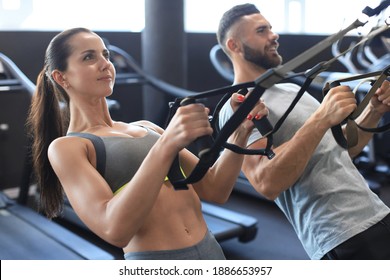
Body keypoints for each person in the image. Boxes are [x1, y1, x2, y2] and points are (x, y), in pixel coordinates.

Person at [27, 27, 268, 260]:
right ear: (61, 77)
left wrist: (240, 130)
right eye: (89, 57)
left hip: (211, 250)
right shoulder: (68, 147)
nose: (105, 64)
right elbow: (114, 229)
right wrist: (167, 145)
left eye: (105, 54)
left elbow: (216, 188)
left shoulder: (147, 127)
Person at [217, 3, 390, 260]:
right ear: (234, 46)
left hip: (375, 212)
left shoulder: (288, 91)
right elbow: (266, 183)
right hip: (341, 234)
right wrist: (321, 118)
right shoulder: (238, 106)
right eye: (261, 31)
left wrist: (374, 111)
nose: (273, 35)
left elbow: (342, 150)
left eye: (271, 28)